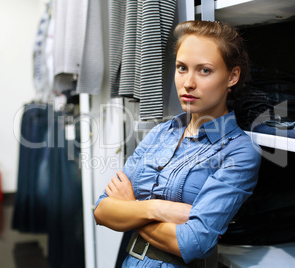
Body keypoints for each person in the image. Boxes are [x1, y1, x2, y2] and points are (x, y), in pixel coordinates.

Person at [94, 20, 262, 267]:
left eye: (204, 70)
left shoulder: (238, 151)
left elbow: (194, 242)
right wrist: (157, 208)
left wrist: (130, 207)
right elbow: (101, 210)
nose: (188, 83)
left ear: (232, 76)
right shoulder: (162, 132)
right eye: (182, 68)